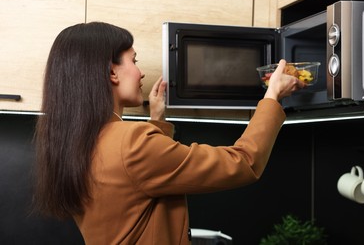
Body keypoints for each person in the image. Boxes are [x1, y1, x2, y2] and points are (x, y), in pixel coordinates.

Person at [33, 21, 305, 245]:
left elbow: (137, 193)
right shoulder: (131, 142)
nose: (140, 73)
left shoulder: (78, 142)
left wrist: (157, 121)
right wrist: (272, 96)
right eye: (133, 61)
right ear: (111, 72)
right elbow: (243, 162)